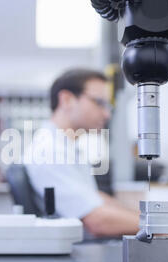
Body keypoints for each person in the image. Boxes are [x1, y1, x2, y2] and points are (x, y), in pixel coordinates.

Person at [24, 69, 139, 237]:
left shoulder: (64, 146)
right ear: (67, 100)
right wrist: (162, 229)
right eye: (99, 103)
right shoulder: (49, 152)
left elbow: (92, 199)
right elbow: (97, 220)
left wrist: (149, 219)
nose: (106, 114)